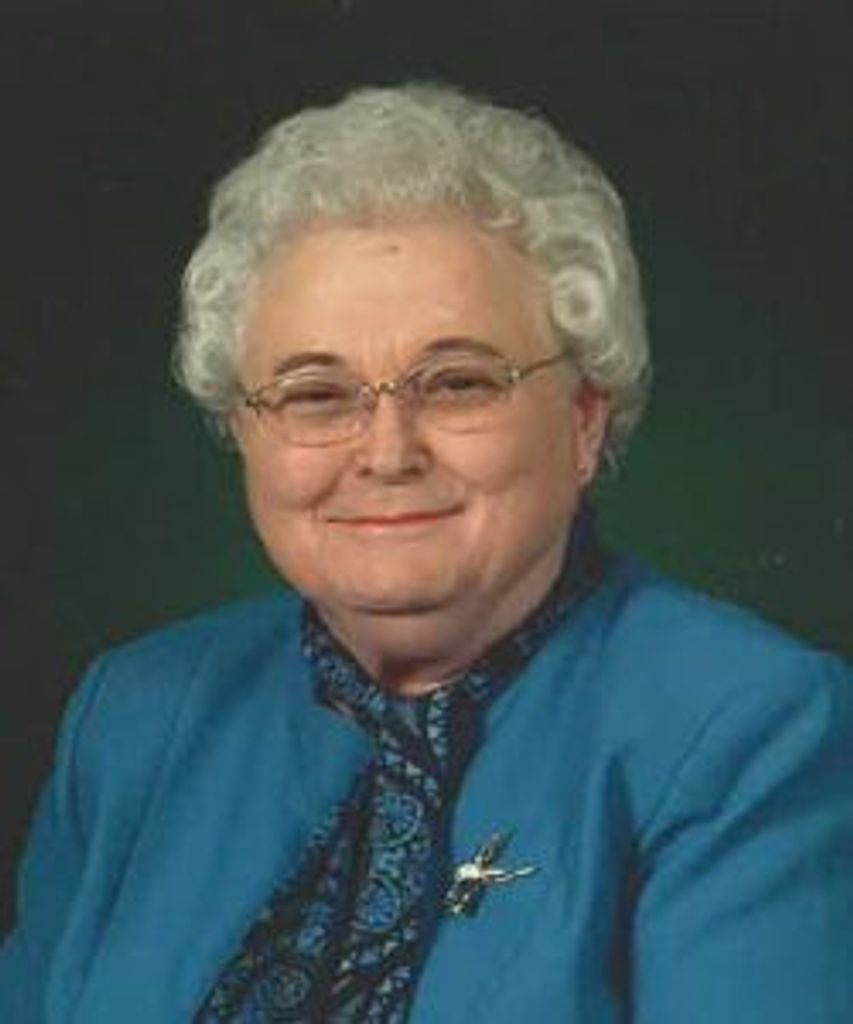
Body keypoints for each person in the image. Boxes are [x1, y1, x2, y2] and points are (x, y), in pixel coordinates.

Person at [2, 82, 851, 1024]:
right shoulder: (137, 713)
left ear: (582, 419)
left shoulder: (747, 727)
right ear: (244, 429)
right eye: (315, 395)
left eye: (457, 384)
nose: (386, 452)